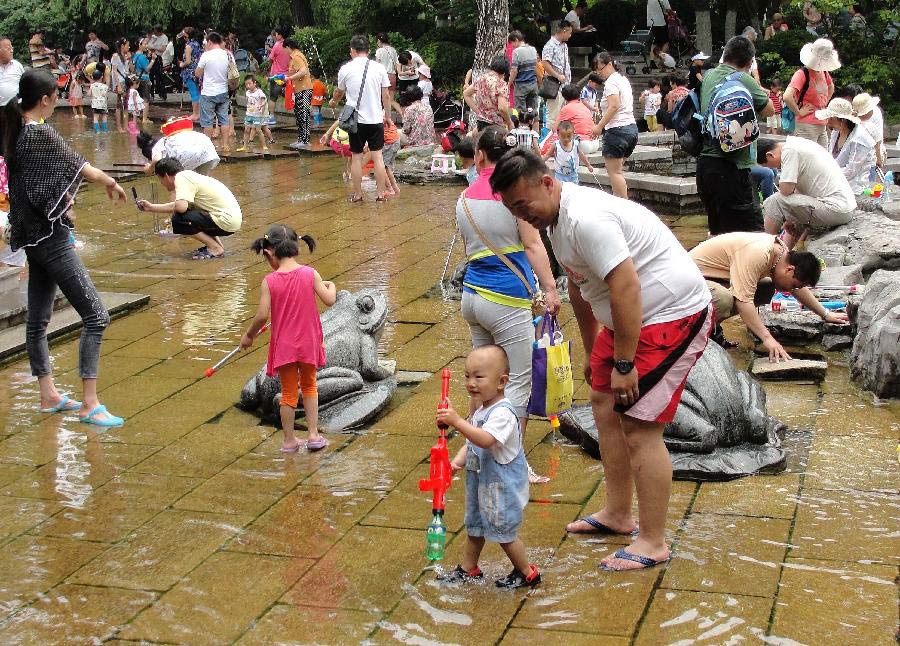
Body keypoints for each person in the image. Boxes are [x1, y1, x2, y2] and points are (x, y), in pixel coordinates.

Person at [489, 149, 713, 572]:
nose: (522, 217)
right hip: (628, 317)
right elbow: (579, 287)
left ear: (548, 183)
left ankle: (652, 541)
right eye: (512, 211)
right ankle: (617, 514)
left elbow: (626, 285)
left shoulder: (585, 218)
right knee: (603, 404)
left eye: (523, 206)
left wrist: (624, 364)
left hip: (670, 313)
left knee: (639, 424)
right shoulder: (554, 222)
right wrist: (595, 353)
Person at [2, 69, 127, 427]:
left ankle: (49, 394)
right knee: (96, 316)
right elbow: (78, 165)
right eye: (55, 96)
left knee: (38, 321)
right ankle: (90, 403)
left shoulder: (15, 131)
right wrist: (110, 181)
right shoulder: (39, 133)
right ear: (45, 101)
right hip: (52, 238)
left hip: (30, 237)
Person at [457, 125, 560, 436]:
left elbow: (469, 249)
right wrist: (551, 288)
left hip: (472, 296)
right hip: (506, 299)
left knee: (480, 380)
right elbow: (532, 245)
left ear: (479, 156)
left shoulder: (463, 197)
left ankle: (477, 447)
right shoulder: (512, 197)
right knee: (519, 379)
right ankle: (510, 456)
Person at [435, 345, 540, 588]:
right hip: (481, 483)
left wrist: (457, 421)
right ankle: (469, 568)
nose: (471, 382)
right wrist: (455, 463)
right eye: (467, 376)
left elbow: (486, 440)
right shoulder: (482, 410)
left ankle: (526, 572)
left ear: (502, 381)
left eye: (479, 377)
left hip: (501, 488)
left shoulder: (503, 413)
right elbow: (472, 444)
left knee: (504, 533)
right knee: (475, 526)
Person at [241, 225, 336, 452]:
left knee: (288, 393)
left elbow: (262, 316)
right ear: (296, 246)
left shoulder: (269, 281)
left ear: (270, 251)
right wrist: (331, 287)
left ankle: (289, 440)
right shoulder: (310, 273)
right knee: (310, 386)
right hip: (308, 342)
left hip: (284, 345)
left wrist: (248, 335)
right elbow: (330, 300)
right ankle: (313, 435)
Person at [690, 232, 847, 360]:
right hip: (687, 283)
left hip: (711, 280)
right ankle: (694, 335)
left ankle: (711, 327)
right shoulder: (758, 254)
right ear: (789, 270)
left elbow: (797, 289)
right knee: (724, 299)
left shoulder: (782, 255)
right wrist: (767, 338)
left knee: (766, 287)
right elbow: (743, 301)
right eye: (793, 284)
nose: (791, 290)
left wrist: (825, 314)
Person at [696, 36, 774, 235]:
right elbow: (770, 110)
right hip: (732, 168)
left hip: (705, 166)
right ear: (749, 62)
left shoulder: (709, 77)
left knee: (718, 234)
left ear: (725, 55)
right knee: (752, 235)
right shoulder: (743, 78)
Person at [758, 137, 855, 248]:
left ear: (770, 155)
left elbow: (785, 190)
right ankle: (784, 256)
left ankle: (766, 252)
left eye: (767, 165)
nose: (772, 168)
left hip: (835, 208)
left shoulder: (790, 151)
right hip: (839, 206)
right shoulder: (795, 143)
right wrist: (791, 215)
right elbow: (795, 193)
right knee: (791, 221)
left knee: (774, 201)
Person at [138, 157, 243, 258]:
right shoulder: (189, 176)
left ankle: (215, 248)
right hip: (232, 220)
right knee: (190, 213)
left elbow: (180, 207)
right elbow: (184, 206)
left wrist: (152, 208)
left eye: (160, 179)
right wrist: (151, 207)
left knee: (178, 219)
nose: (162, 184)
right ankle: (216, 246)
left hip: (226, 220)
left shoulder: (181, 178)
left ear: (166, 176)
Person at [330, 34, 392, 203]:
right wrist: (388, 116)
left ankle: (357, 195)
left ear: (352, 50)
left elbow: (339, 92)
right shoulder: (379, 68)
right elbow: (386, 95)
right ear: (369, 50)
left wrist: (334, 101)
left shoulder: (345, 69)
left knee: (356, 157)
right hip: (375, 119)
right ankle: (380, 194)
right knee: (378, 156)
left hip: (355, 121)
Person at [590, 51, 638, 198]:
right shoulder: (623, 79)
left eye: (600, 68)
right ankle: (619, 200)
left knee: (615, 173)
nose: (599, 73)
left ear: (609, 64)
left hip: (618, 130)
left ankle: (623, 208)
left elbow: (614, 105)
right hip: (631, 129)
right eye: (597, 70)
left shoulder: (611, 82)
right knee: (618, 171)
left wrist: (599, 126)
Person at [783, 39, 839, 148]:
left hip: (821, 123)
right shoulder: (802, 74)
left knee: (823, 158)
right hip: (806, 124)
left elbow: (831, 86)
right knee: (806, 158)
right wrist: (799, 112)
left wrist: (824, 103)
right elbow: (787, 96)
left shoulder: (824, 72)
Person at [818, 98, 875, 195]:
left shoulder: (860, 139)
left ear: (842, 120)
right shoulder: (836, 133)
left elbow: (852, 170)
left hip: (855, 187)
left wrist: (827, 174)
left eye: (831, 118)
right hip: (836, 183)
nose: (828, 121)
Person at [138, 117, 220, 174]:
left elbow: (156, 159)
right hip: (209, 151)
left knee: (181, 184)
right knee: (202, 182)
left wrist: (150, 169)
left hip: (188, 155)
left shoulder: (161, 142)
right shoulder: (187, 134)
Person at [196, 32, 234, 152]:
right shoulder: (228, 54)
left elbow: (198, 73)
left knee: (207, 121)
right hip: (223, 91)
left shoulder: (206, 56)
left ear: (210, 42)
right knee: (224, 120)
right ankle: (225, 145)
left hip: (208, 93)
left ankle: (208, 148)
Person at [464, 56, 513, 132]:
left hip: (481, 123)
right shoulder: (501, 83)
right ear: (504, 71)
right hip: (496, 125)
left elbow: (466, 94)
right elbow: (502, 108)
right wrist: (509, 122)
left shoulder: (480, 79)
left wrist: (478, 112)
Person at [540, 21, 572, 127]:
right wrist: (557, 75)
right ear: (564, 31)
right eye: (569, 33)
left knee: (563, 114)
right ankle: (550, 139)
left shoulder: (564, 46)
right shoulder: (550, 45)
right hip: (554, 85)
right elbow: (545, 63)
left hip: (565, 85)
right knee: (553, 115)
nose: (570, 35)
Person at [284, 38, 313, 150]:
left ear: (288, 47)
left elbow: (303, 71)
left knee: (304, 114)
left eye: (285, 49)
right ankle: (301, 139)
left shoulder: (296, 57)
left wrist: (289, 78)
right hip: (298, 90)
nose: (285, 52)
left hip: (304, 89)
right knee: (299, 114)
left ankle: (305, 140)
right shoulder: (294, 57)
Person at [555, 84, 599, 154]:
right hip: (595, 143)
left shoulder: (566, 108)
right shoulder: (584, 107)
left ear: (564, 96)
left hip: (582, 144)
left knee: (556, 136)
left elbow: (555, 128)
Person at [853, 93, 885, 171]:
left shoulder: (852, 125)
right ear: (868, 112)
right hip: (869, 161)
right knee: (870, 182)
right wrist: (879, 159)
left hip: (855, 160)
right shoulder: (871, 127)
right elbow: (878, 143)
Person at [238, 75, 270, 152]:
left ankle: (264, 145)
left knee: (258, 130)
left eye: (249, 84)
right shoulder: (247, 92)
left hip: (257, 115)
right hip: (249, 114)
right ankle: (245, 146)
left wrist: (261, 105)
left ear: (254, 83)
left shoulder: (259, 92)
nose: (248, 86)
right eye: (246, 84)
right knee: (246, 130)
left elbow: (264, 99)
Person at [178, 27, 202, 122]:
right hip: (197, 71)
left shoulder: (188, 46)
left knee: (193, 93)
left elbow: (187, 61)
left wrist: (181, 64)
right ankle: (200, 113)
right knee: (198, 92)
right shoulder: (196, 44)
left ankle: (195, 114)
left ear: (186, 35)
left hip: (189, 72)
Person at [266, 26, 290, 120]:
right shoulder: (289, 46)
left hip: (276, 76)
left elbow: (270, 59)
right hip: (287, 76)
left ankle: (271, 117)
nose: (275, 36)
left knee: (273, 97)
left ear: (280, 35)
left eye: (276, 34)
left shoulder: (276, 46)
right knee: (290, 95)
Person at [109, 39, 131, 134]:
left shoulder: (125, 56)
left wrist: (129, 60)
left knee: (126, 105)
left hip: (125, 81)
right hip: (120, 82)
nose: (128, 47)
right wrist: (118, 85)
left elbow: (127, 70)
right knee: (119, 105)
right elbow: (114, 71)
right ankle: (119, 127)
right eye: (127, 45)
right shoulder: (115, 56)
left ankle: (126, 126)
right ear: (122, 45)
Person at [375, 33, 399, 115]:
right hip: (392, 76)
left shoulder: (379, 51)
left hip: (383, 77)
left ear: (379, 41)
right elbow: (396, 65)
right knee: (390, 100)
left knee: (380, 99)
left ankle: (381, 120)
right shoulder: (393, 50)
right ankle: (402, 115)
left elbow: (377, 66)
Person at [0, 37, 25, 107]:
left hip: (16, 107)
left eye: (12, 48)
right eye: (8, 48)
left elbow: (25, 84)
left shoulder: (17, 65)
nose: (11, 51)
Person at [131, 45, 152, 123]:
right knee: (146, 99)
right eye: (145, 43)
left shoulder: (134, 56)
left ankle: (139, 117)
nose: (146, 45)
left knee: (138, 99)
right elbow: (147, 69)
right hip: (144, 79)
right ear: (139, 45)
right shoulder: (142, 57)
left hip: (137, 79)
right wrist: (152, 60)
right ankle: (145, 119)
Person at [382, 117, 402, 196]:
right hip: (395, 139)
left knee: (381, 167)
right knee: (386, 167)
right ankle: (395, 188)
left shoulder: (376, 115)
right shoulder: (383, 112)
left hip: (389, 142)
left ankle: (390, 189)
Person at [89, 69, 110, 133]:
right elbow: (105, 95)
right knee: (104, 117)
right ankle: (105, 130)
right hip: (103, 104)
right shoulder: (105, 86)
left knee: (95, 117)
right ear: (101, 77)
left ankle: (97, 131)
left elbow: (89, 94)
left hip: (95, 104)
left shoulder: (92, 85)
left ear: (92, 77)